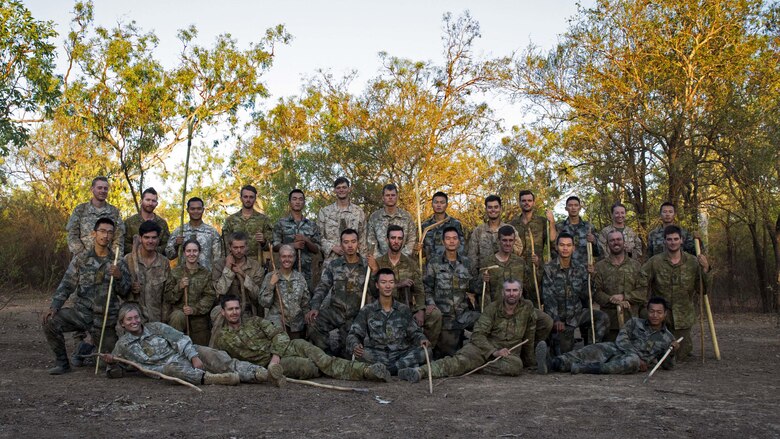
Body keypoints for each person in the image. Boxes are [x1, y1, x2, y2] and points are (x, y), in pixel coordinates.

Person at [100, 303, 284, 386]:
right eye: (129, 319)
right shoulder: (122, 345)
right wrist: (111, 363)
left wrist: (194, 357)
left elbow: (180, 338)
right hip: (171, 367)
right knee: (170, 369)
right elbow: (118, 371)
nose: (134, 321)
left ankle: (263, 374)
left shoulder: (155, 327)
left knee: (218, 358)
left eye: (136, 317)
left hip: (188, 354)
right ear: (122, 323)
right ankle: (215, 379)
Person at [214, 295, 390, 381]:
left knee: (324, 359)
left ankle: (367, 371)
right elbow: (224, 362)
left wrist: (276, 355)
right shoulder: (222, 338)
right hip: (272, 365)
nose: (234, 312)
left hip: (290, 347)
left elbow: (279, 334)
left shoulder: (254, 321)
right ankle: (349, 370)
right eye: (230, 309)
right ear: (223, 312)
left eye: (236, 308)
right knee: (309, 367)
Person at [398, 279, 536, 382]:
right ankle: (419, 371)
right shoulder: (492, 309)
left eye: (515, 290)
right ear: (503, 292)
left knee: (515, 366)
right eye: (508, 290)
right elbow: (478, 335)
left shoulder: (527, 308)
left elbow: (529, 333)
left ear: (521, 292)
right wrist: (493, 351)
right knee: (458, 362)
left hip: (507, 354)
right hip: (482, 348)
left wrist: (529, 360)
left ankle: (473, 366)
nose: (511, 294)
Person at [43, 218, 131, 374]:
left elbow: (125, 292)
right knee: (50, 321)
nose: (106, 235)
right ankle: (62, 363)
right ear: (94, 233)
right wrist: (55, 306)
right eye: (102, 231)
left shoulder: (118, 262)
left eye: (110, 232)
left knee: (111, 365)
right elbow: (67, 284)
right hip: (81, 314)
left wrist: (118, 277)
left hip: (104, 321)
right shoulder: (81, 259)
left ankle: (85, 348)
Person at [537, 297, 679, 375]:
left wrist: (672, 352)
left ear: (665, 314)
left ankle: (583, 368)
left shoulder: (667, 337)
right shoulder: (635, 322)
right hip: (616, 349)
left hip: (629, 361)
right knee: (588, 351)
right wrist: (637, 355)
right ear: (647, 311)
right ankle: (551, 363)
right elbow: (621, 338)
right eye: (652, 311)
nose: (655, 315)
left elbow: (667, 365)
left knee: (632, 361)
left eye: (659, 312)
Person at [481, 226, 552, 364]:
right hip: (499, 311)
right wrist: (481, 281)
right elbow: (481, 290)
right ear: (499, 241)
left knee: (546, 321)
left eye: (510, 240)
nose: (508, 243)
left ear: (514, 241)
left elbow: (530, 286)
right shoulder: (488, 263)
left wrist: (536, 267)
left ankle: (530, 352)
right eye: (504, 240)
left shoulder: (519, 262)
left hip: (519, 308)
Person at [641, 225, 710, 360]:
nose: (673, 242)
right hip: (660, 318)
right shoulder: (655, 262)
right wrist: (644, 304)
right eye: (669, 239)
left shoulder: (693, 262)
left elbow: (703, 290)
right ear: (665, 241)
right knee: (656, 354)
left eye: (675, 239)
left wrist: (706, 269)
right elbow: (641, 280)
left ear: (681, 240)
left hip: (683, 317)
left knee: (680, 355)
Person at [368, 225, 442, 347]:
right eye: (393, 238)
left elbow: (419, 290)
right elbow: (373, 290)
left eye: (399, 238)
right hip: (385, 309)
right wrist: (377, 272)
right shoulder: (378, 262)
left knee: (435, 315)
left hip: (408, 308)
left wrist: (420, 310)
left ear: (403, 240)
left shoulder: (411, 264)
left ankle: (426, 349)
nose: (396, 241)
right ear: (387, 240)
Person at [347, 268, 429, 375]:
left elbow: (415, 333)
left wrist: (422, 339)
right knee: (360, 354)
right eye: (383, 282)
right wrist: (355, 345)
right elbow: (353, 334)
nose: (387, 286)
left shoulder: (403, 310)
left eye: (391, 282)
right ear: (377, 285)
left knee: (426, 352)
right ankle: (400, 369)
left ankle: (391, 370)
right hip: (377, 355)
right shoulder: (367, 310)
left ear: (394, 284)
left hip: (400, 354)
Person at [306, 229, 370, 357]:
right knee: (313, 323)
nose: (350, 245)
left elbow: (375, 289)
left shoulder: (367, 266)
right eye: (346, 242)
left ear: (359, 244)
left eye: (353, 241)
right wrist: (314, 307)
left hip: (356, 316)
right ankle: (325, 356)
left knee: (349, 354)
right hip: (336, 312)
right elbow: (322, 287)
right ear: (341, 245)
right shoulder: (334, 265)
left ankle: (342, 351)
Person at [542, 233, 609, 354]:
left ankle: (591, 351)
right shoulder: (549, 269)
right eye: (562, 245)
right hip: (561, 319)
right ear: (556, 247)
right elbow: (548, 297)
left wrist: (592, 278)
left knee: (601, 317)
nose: (565, 248)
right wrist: (556, 319)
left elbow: (586, 294)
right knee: (563, 353)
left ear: (574, 248)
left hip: (577, 314)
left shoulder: (580, 267)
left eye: (568, 245)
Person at [424, 226, 480, 358]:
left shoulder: (466, 262)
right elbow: (427, 287)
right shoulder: (434, 263)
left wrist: (484, 280)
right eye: (448, 239)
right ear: (443, 242)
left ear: (459, 241)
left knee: (484, 321)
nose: (451, 241)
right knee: (449, 354)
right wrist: (431, 304)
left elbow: (472, 286)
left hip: (463, 314)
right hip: (445, 317)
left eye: (454, 238)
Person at [593, 230, 648, 341]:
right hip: (609, 322)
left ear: (624, 242)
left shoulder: (636, 266)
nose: (616, 242)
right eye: (612, 240)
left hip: (632, 320)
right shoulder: (599, 267)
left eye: (618, 239)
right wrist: (611, 299)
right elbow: (595, 292)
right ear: (608, 244)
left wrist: (624, 296)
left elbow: (643, 292)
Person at [165, 239, 216, 346]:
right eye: (188, 251)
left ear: (199, 252)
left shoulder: (206, 274)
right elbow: (168, 297)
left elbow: (209, 297)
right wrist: (179, 287)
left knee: (201, 351)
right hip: (179, 319)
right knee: (177, 316)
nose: (191, 254)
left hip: (199, 319)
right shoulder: (175, 272)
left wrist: (194, 309)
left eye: (195, 251)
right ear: (184, 253)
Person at [210, 232, 266, 329]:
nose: (239, 251)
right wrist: (227, 268)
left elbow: (257, 294)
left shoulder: (255, 266)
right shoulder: (219, 265)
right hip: (225, 309)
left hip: (247, 310)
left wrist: (242, 274)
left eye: (242, 247)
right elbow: (220, 290)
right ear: (230, 247)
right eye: (235, 248)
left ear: (246, 247)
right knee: (217, 315)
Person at [510, 189, 556, 303]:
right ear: (519, 203)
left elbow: (552, 242)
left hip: (536, 272)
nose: (527, 203)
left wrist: (552, 222)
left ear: (533, 202)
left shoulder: (542, 222)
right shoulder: (512, 224)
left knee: (536, 305)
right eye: (524, 200)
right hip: (517, 271)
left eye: (529, 200)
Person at [273, 188, 321, 289]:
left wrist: (306, 240)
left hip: (306, 273)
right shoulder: (281, 223)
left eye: (300, 199)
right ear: (290, 202)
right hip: (285, 272)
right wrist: (292, 246)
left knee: (306, 301)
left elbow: (317, 249)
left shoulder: (312, 225)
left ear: (304, 202)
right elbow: (275, 246)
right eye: (294, 199)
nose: (297, 202)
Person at [259, 244, 310, 338]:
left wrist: (308, 321)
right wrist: (271, 285)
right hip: (278, 324)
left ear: (294, 258)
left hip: (296, 325)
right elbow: (264, 303)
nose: (287, 259)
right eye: (284, 256)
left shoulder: (300, 278)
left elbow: (305, 303)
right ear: (279, 258)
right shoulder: (270, 276)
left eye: (290, 256)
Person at [124, 220, 170, 323]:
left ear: (158, 240)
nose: (150, 241)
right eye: (146, 237)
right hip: (133, 322)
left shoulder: (164, 263)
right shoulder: (128, 260)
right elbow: (120, 292)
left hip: (156, 320)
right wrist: (130, 288)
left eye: (154, 238)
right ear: (140, 238)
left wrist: (164, 321)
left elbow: (166, 296)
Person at [66, 176, 125, 256]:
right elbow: (72, 234)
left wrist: (114, 258)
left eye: (105, 188)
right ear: (92, 189)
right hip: (83, 260)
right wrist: (83, 255)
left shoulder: (114, 212)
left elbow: (119, 237)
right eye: (99, 188)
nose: (103, 191)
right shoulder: (80, 210)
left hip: (106, 261)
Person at [467, 195, 523, 275]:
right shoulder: (478, 231)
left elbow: (519, 251)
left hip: (506, 276)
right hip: (485, 276)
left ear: (500, 208)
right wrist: (476, 278)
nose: (493, 210)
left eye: (496, 207)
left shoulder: (510, 229)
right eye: (490, 207)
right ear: (486, 209)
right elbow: (472, 256)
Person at [317, 176, 367, 264]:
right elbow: (318, 237)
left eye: (344, 187)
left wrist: (363, 260)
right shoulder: (325, 212)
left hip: (354, 261)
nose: (341, 190)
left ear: (349, 189)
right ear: (334, 190)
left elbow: (363, 238)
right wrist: (332, 247)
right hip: (332, 261)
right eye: (338, 188)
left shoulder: (358, 212)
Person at [166, 197, 223, 271]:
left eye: (199, 209)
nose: (196, 211)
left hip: (206, 278)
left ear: (203, 210)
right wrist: (176, 245)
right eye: (192, 209)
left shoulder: (212, 232)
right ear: (188, 210)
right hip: (184, 277)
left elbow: (218, 259)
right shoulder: (179, 231)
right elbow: (169, 255)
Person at [221, 185, 273, 261]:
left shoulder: (264, 220)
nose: (248, 200)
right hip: (235, 263)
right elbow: (225, 245)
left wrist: (264, 242)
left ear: (255, 199)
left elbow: (271, 246)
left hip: (257, 264)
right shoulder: (231, 220)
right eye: (245, 197)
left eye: (251, 197)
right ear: (241, 198)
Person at [366, 183, 417, 257]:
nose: (390, 197)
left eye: (393, 195)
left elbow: (411, 239)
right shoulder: (375, 217)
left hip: (403, 262)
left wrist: (400, 258)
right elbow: (371, 241)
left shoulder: (406, 217)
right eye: (387, 195)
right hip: (380, 262)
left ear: (397, 197)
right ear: (383, 197)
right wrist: (381, 260)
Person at [123, 187, 170, 255]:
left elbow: (166, 245)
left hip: (156, 263)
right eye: (147, 200)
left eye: (153, 201)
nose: (150, 203)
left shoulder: (162, 223)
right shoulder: (130, 222)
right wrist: (141, 250)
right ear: (141, 201)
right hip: (134, 262)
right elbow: (124, 243)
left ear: (156, 203)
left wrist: (152, 250)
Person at [555, 196, 600, 266]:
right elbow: (554, 250)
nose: (573, 208)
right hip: (565, 271)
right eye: (570, 205)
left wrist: (594, 241)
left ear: (580, 208)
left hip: (584, 270)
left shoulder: (589, 227)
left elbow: (598, 252)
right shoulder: (559, 227)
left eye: (576, 205)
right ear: (566, 208)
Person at [419, 191, 465, 260]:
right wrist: (417, 249)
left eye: (442, 202)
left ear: (447, 205)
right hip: (431, 268)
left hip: (450, 268)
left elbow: (461, 247)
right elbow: (420, 252)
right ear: (432, 204)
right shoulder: (424, 226)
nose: (439, 205)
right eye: (436, 202)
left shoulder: (455, 224)